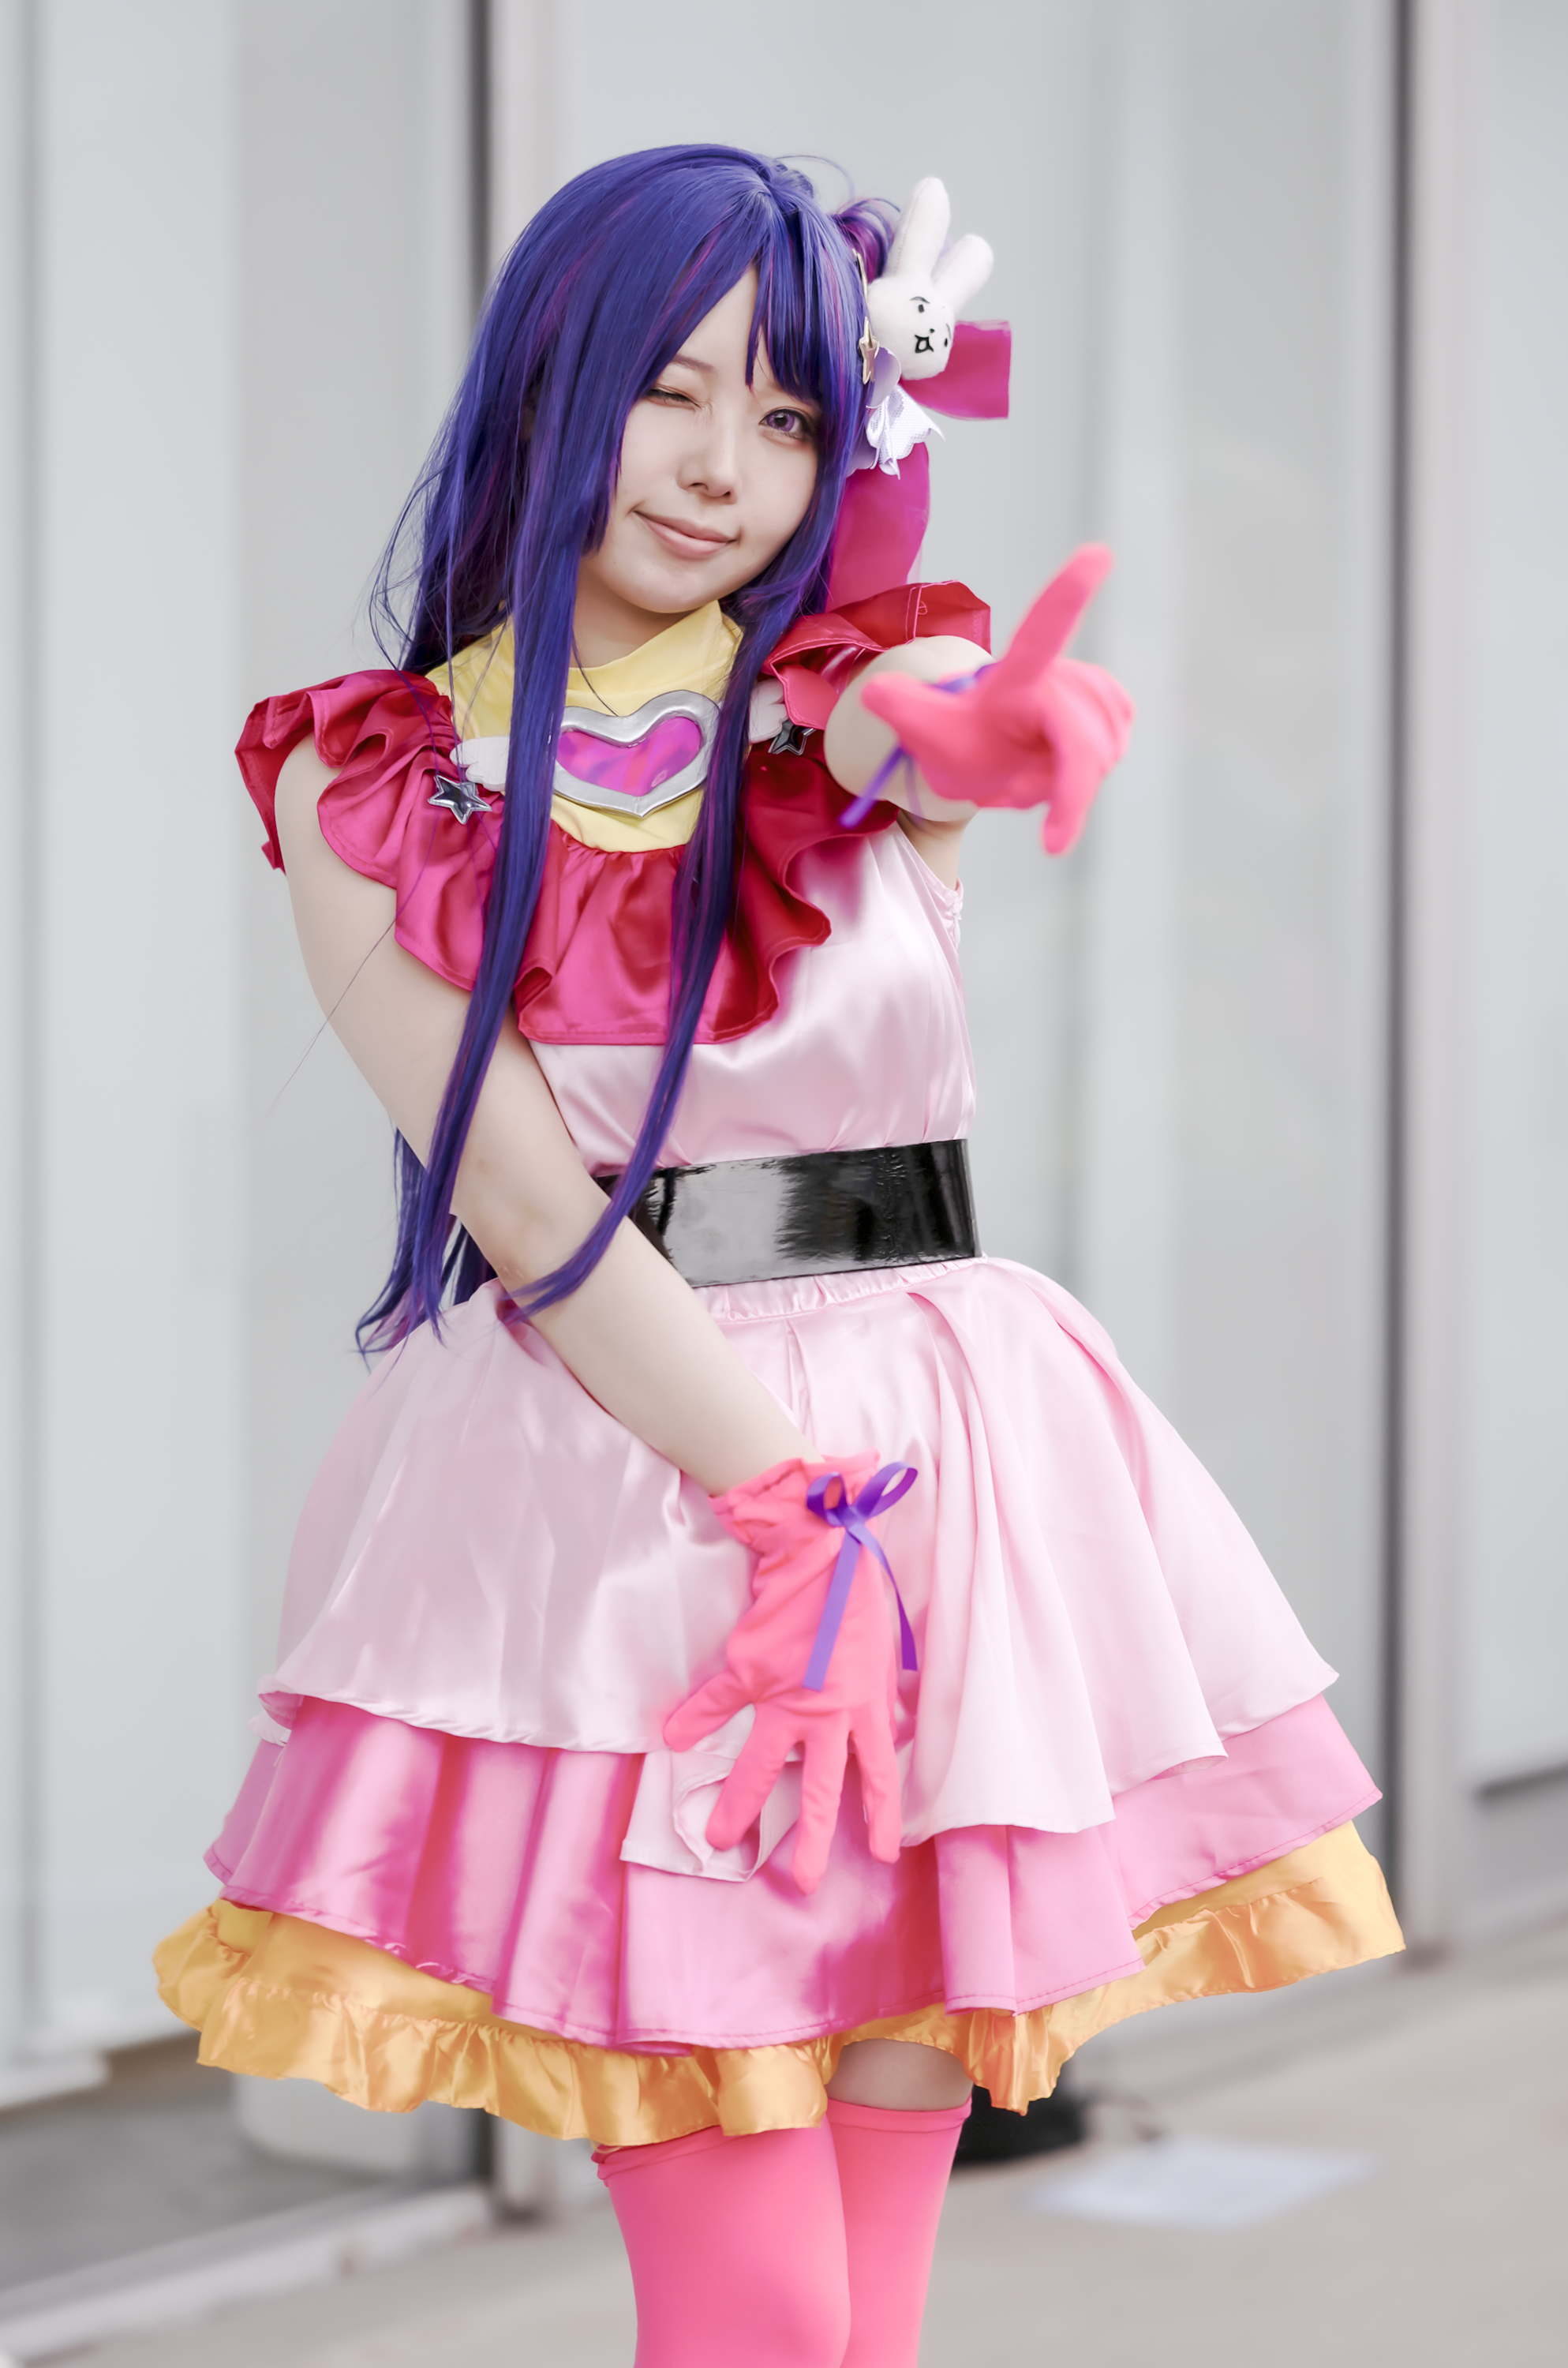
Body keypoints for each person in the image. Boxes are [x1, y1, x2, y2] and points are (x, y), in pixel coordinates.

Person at [156, 147, 1403, 2367]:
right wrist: (783, 1515)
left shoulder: (848, 703)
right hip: (645, 1495)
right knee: (762, 2315)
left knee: (867, 2302)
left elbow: (909, 728)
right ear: (554, 384)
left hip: (952, 1477)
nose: (725, 467)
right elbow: (528, 1205)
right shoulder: (376, 783)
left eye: (793, 414)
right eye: (673, 389)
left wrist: (982, 732)